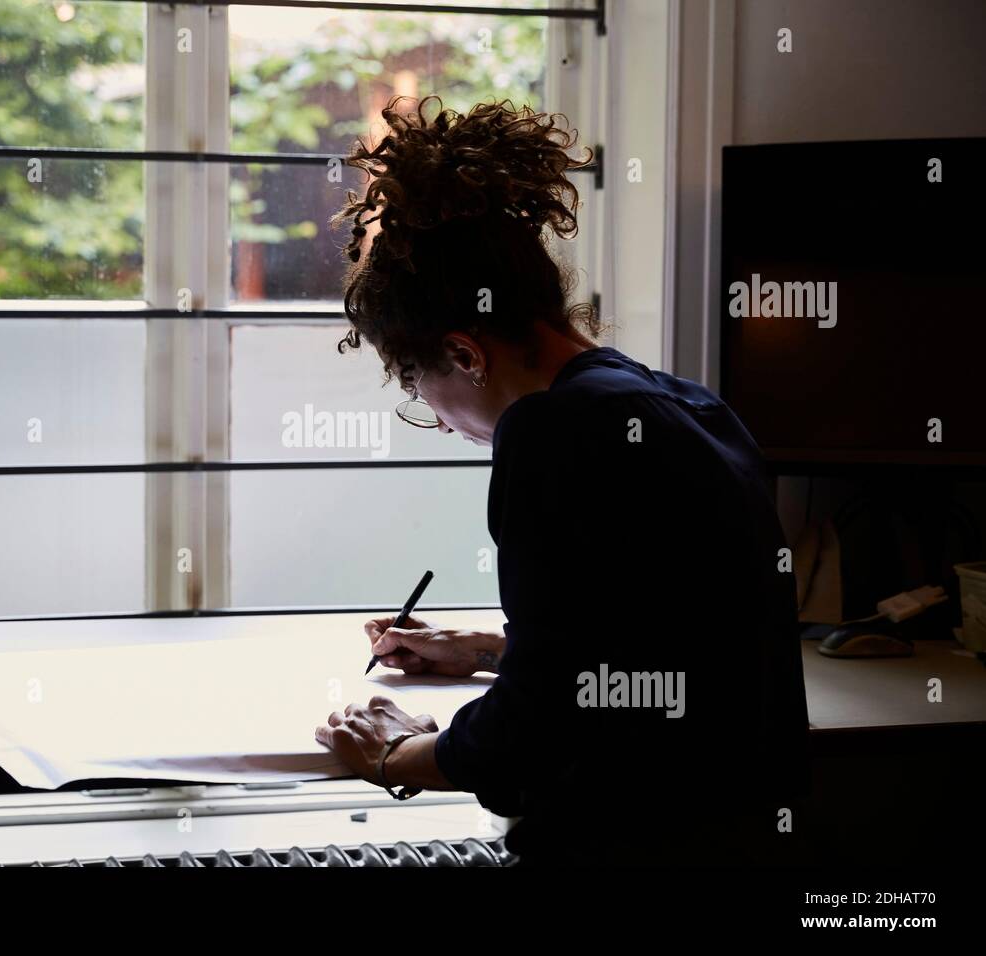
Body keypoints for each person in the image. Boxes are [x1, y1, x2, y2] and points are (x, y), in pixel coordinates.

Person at [313, 96, 810, 867]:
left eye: (416, 383)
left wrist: (391, 756)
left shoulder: (551, 433)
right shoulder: (688, 404)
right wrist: (488, 649)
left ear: (466, 353)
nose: (438, 420)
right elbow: (667, 653)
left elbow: (534, 733)